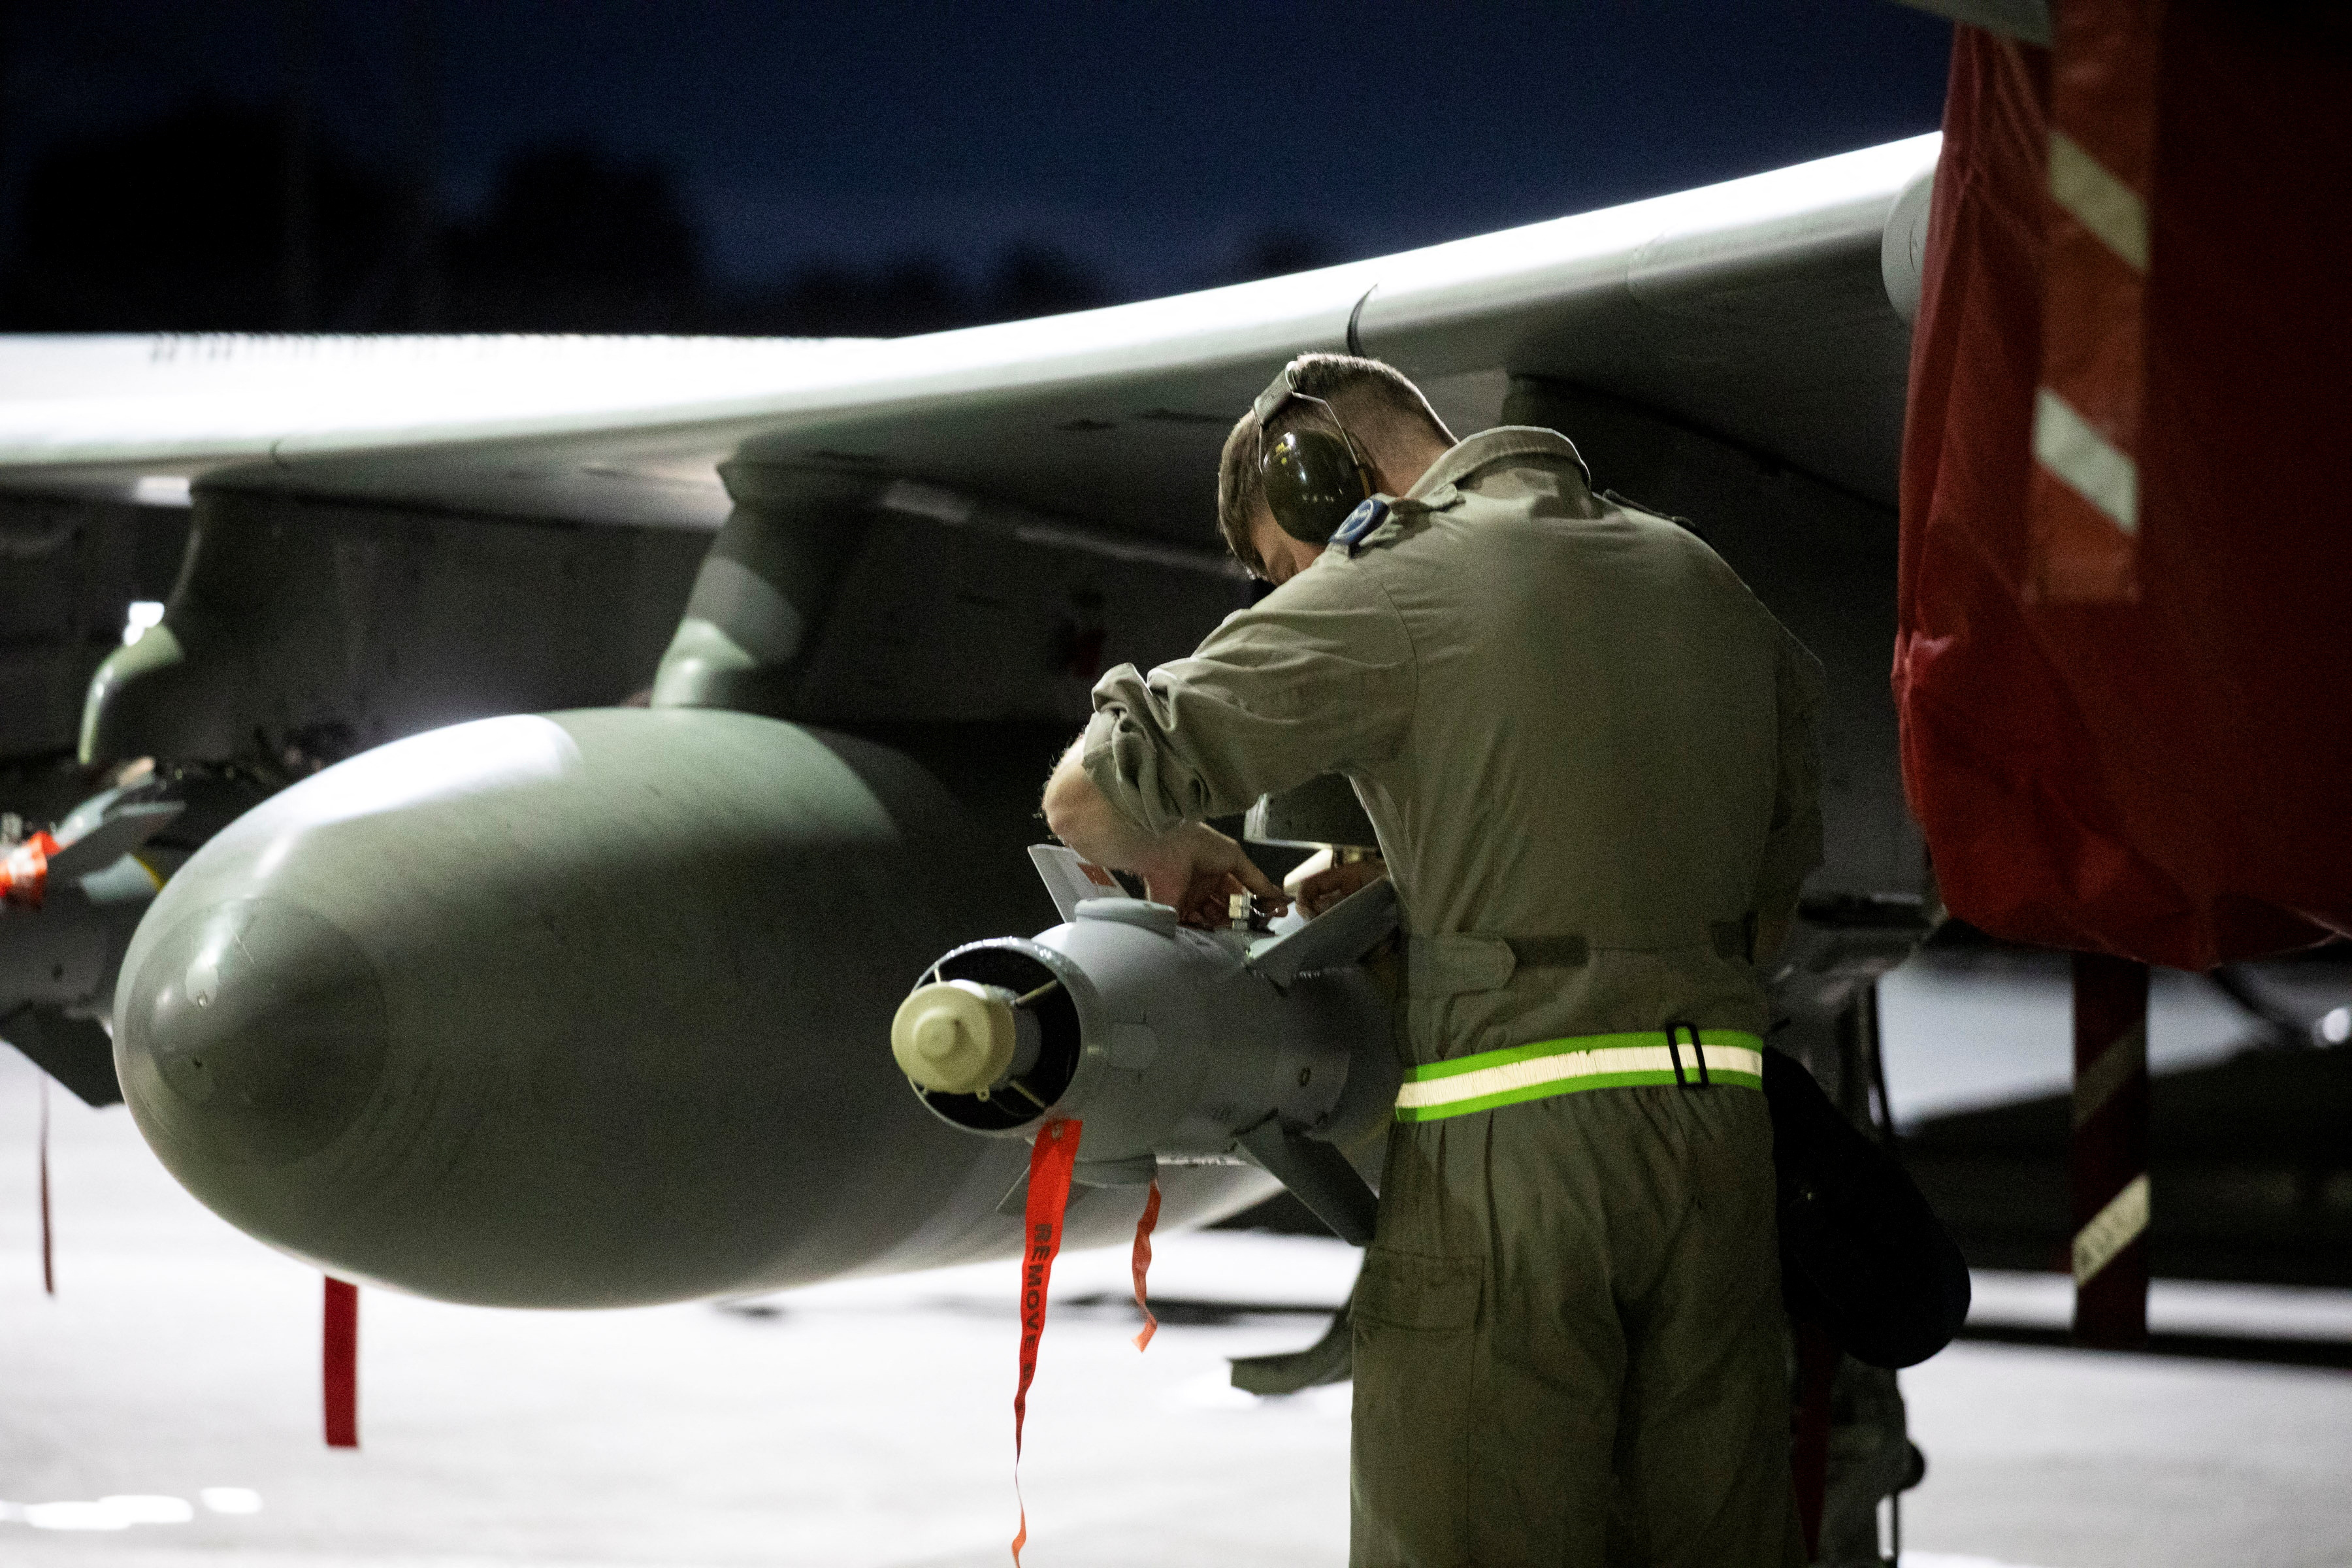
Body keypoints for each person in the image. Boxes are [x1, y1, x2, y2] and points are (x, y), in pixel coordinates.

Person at [1041, 352, 1821, 1567]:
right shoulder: (1703, 580)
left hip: (1514, 1157)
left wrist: (1174, 844)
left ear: (1320, 477)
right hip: (1721, 1156)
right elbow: (1764, 910)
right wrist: (1431, 891)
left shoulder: (1395, 583)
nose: (1303, 589)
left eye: (1290, 565)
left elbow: (1088, 798)